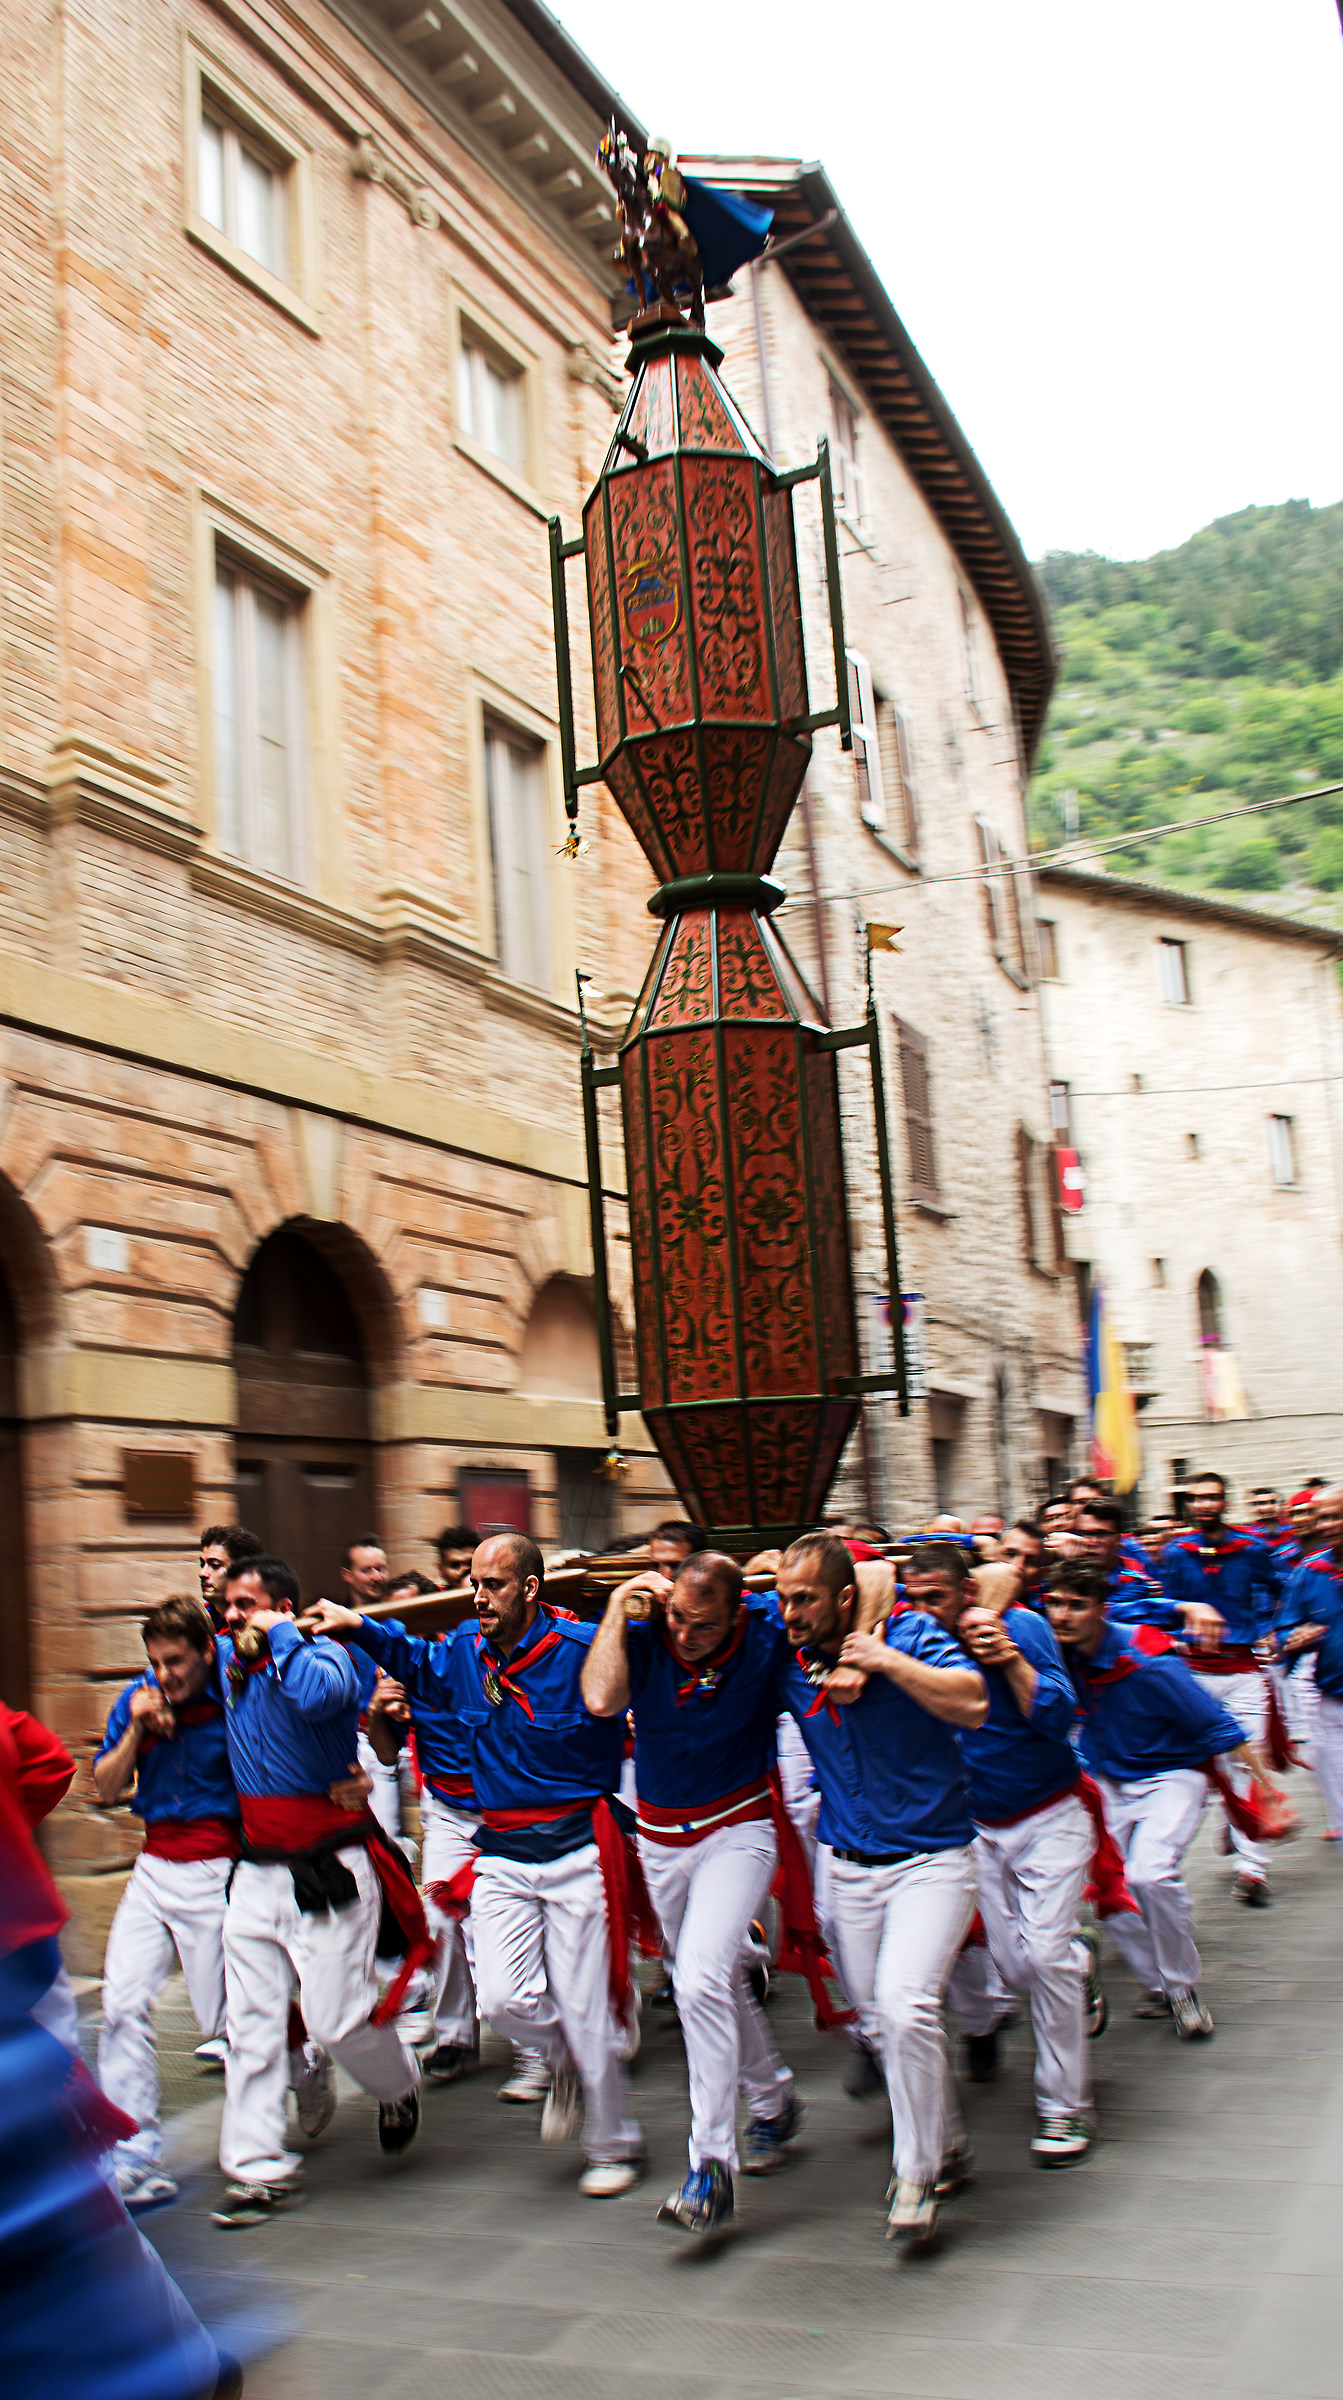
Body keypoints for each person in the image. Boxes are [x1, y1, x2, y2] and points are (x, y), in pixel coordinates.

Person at [311, 1532, 646, 2198]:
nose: (479, 1597)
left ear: (530, 1588)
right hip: (502, 1852)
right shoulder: (465, 1652)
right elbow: (410, 1656)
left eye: (493, 1585)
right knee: (502, 2000)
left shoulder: (584, 1648)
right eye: (474, 1584)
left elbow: (636, 1686)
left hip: (578, 1850)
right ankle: (566, 2057)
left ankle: (614, 2144)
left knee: (584, 2004)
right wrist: (356, 1624)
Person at [772, 1530, 988, 2251]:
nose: (790, 1612)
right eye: (783, 1598)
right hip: (846, 1868)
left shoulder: (913, 1634)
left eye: (805, 1599)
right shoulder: (786, 1650)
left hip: (933, 1860)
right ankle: (946, 2140)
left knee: (904, 2005)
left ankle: (915, 2175)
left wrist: (881, 1658)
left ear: (841, 1598)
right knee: (882, 2021)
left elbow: (972, 1702)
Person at [581, 1549, 800, 2233]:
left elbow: (871, 1578)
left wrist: (788, 1571)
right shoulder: (642, 1630)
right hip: (658, 1837)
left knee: (699, 1978)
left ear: (736, 1614)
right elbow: (600, 1700)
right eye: (678, 1616)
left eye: (704, 1625)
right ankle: (773, 2098)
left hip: (738, 1828)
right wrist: (617, 1607)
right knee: (711, 1980)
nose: (685, 1634)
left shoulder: (765, 1629)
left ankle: (711, 2165)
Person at [214, 1555, 426, 2227]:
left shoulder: (329, 1658)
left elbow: (316, 1700)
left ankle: (398, 2084)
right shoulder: (227, 1662)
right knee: (252, 2023)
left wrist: (282, 1634)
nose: (233, 1616)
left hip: (329, 1866)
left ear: (283, 1607)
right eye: (228, 1604)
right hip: (257, 1869)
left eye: (247, 1604)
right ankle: (255, 2169)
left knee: (337, 2021)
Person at [903, 1546, 1102, 2170]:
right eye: (913, 1598)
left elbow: (1058, 1715)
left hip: (1050, 1814)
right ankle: (1077, 1963)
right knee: (1017, 1969)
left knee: (1043, 1959)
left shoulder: (1023, 1625)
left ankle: (1064, 2106)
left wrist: (1009, 1658)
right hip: (977, 1826)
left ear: (965, 1592)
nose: (923, 1611)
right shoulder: (909, 1639)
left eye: (936, 1597)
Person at [1046, 1559, 1281, 2038]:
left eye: (1077, 1605)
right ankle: (1156, 1983)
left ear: (1101, 1609)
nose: (1062, 1615)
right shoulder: (1057, 1651)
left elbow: (1218, 1725)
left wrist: (1269, 1791)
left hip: (1173, 1775)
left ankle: (1181, 1988)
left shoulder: (1150, 1662)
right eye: (1056, 1603)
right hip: (1109, 1777)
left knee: (1150, 1874)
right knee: (1106, 1884)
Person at [93, 1597, 240, 2209]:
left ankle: (303, 2062)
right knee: (121, 2002)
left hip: (215, 1868)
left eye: (176, 1661)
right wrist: (136, 1729)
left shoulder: (235, 1696)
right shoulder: (138, 1698)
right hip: (153, 1867)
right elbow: (105, 1787)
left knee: (223, 2024)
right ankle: (135, 2155)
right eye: (155, 1662)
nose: (165, 1674)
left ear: (206, 1651)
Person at [1158, 1471, 1280, 1904]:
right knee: (1202, 1767)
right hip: (1194, 1675)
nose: (1205, 1504)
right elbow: (1166, 1605)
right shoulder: (1176, 1552)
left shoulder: (1252, 1549)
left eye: (1212, 1497)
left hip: (1243, 1671)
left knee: (1245, 1765)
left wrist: (1271, 1628)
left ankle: (1253, 1869)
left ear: (1225, 1502)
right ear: (1189, 1504)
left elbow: (1280, 1588)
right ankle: (1221, 1825)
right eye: (1198, 1498)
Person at [1278, 1485, 1343, 1840]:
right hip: (1331, 1702)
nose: (1328, 1525)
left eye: (1336, 1516)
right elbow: (1283, 1630)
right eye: (1323, 1518)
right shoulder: (1308, 1572)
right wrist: (1295, 1637)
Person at [197, 1524, 263, 1632]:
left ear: (243, 1571)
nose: (202, 1573)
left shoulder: (260, 1624)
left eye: (215, 1565)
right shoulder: (197, 1620)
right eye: (202, 1564)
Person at [435, 1523, 481, 1591]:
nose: (464, 1570)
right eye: (455, 1565)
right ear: (441, 1569)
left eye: (471, 1563)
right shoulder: (433, 1596)